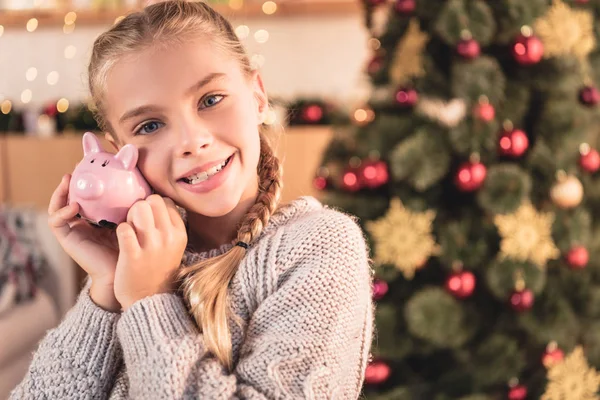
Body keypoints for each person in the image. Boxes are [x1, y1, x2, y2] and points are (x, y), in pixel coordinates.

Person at [10, 1, 375, 399]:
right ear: (120, 154)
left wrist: (150, 301)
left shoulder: (319, 248)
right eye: (150, 125)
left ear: (257, 96)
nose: (191, 141)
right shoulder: (135, 262)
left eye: (210, 99)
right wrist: (106, 288)